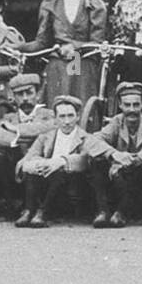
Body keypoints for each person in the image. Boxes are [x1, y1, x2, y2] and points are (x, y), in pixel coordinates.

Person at [14, 0, 107, 105]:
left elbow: (96, 42)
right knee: (58, 94)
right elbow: (42, 42)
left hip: (81, 59)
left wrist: (75, 47)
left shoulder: (93, 6)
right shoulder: (51, 5)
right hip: (58, 60)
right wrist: (18, 48)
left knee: (77, 94)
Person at [88, 81, 142, 228]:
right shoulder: (116, 122)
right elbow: (93, 141)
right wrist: (114, 154)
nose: (132, 110)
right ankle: (103, 211)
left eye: (136, 105)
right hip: (121, 177)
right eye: (127, 105)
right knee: (96, 161)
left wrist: (136, 158)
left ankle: (122, 212)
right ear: (120, 105)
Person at [16, 95, 103, 228]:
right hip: (46, 179)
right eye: (62, 117)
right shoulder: (45, 137)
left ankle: (43, 212)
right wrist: (40, 163)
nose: (67, 121)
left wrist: (62, 161)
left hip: (72, 183)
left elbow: (84, 159)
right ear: (56, 119)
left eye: (70, 116)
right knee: (32, 172)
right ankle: (29, 210)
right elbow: (30, 157)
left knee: (59, 172)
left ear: (78, 117)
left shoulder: (85, 138)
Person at [0, 72, 54, 213]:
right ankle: (14, 202)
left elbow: (51, 127)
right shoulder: (9, 117)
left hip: (42, 168)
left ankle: (36, 205)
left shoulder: (49, 115)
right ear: (13, 97)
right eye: (20, 94)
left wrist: (16, 130)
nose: (25, 98)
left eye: (29, 93)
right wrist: (16, 140)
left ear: (38, 94)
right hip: (15, 171)